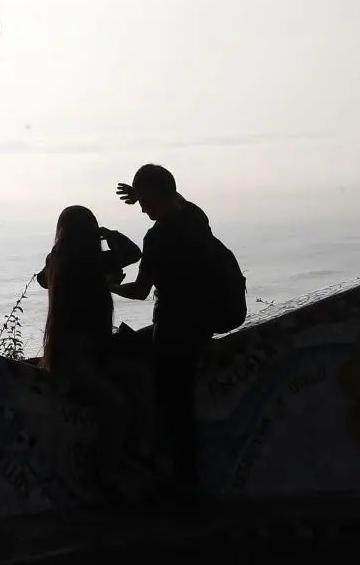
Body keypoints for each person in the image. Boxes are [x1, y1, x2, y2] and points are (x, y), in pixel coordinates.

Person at [111, 163, 245, 500]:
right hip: (205, 321)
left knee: (173, 408)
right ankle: (185, 479)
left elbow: (141, 291)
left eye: (144, 201)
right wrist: (142, 189)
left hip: (176, 330)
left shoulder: (158, 237)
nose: (141, 208)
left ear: (157, 194)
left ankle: (181, 483)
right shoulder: (195, 216)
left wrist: (107, 286)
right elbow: (175, 197)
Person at [35, 206, 143, 457]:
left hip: (64, 349)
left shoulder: (56, 261)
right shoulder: (97, 261)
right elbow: (133, 252)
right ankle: (110, 467)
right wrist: (108, 233)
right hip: (88, 350)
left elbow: (41, 280)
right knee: (121, 402)